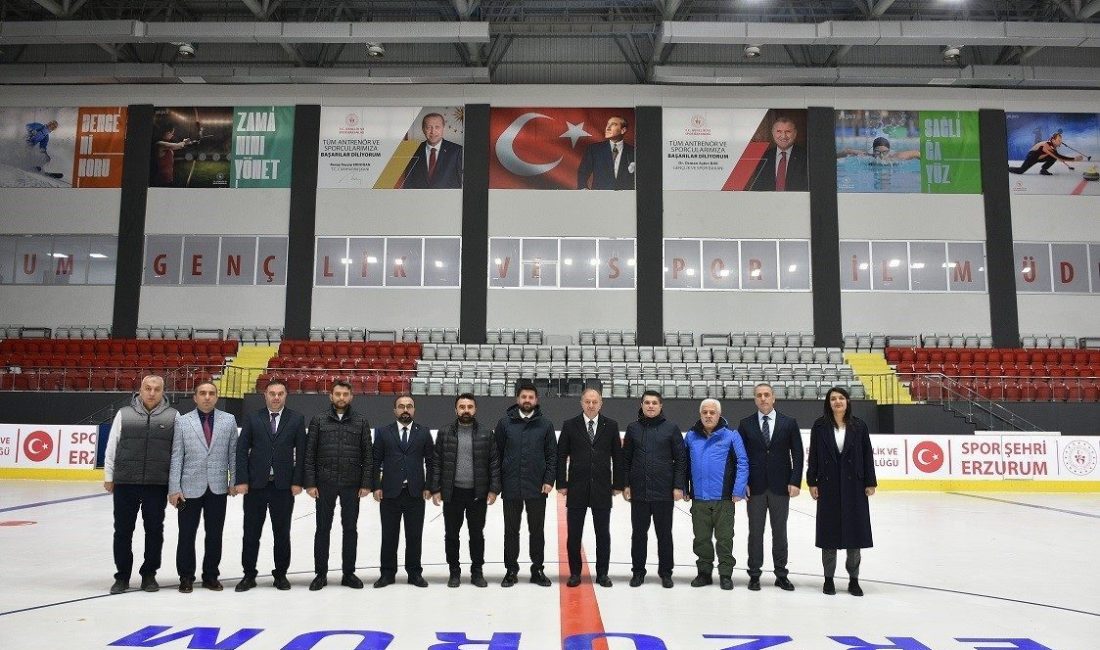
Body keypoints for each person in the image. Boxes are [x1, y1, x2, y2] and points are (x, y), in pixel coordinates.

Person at [103, 375, 179, 594]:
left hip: (157, 484)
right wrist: (109, 476)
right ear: (140, 389)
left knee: (154, 530)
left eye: (156, 389)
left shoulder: (173, 416)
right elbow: (112, 447)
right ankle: (122, 576)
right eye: (148, 388)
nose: (152, 392)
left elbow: (176, 453)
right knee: (123, 531)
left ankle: (149, 575)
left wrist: (173, 484)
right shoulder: (124, 415)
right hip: (126, 482)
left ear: (163, 391)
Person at [234, 379, 307, 591]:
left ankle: (281, 574)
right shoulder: (252, 418)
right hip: (256, 486)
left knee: (282, 533)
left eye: (280, 394)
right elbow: (241, 451)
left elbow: (301, 454)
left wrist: (297, 481)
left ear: (286, 395)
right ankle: (249, 575)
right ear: (265, 395)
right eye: (272, 393)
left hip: (283, 487)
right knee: (251, 533)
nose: (276, 397)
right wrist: (242, 480)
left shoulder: (296, 419)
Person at [806, 386, 877, 597]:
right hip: (828, 487)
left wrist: (870, 482)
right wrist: (812, 482)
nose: (837, 402)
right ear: (828, 403)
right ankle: (828, 579)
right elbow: (815, 456)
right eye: (833, 399)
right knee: (829, 535)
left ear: (847, 401)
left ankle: (853, 580)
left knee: (854, 536)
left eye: (841, 398)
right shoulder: (819, 426)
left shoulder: (859, 426)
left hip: (854, 487)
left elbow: (867, 455)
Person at [168, 382, 238, 593]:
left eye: (211, 393)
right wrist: (174, 488)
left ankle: (211, 575)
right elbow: (176, 456)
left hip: (217, 488)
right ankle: (186, 577)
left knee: (215, 534)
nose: (207, 397)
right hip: (188, 488)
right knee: (186, 534)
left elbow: (233, 453)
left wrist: (233, 481)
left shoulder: (229, 420)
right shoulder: (182, 421)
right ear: (195, 397)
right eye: (202, 393)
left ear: (217, 397)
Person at [303, 380, 373, 591]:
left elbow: (368, 455)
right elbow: (309, 454)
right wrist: (310, 483)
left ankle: (348, 573)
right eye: (338, 394)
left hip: (352, 484)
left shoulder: (361, 421)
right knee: (322, 529)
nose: (341, 397)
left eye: (345, 394)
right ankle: (320, 574)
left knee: (350, 529)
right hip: (324, 484)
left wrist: (366, 482)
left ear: (351, 397)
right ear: (330, 396)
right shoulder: (318, 420)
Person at [429, 393, 501, 588]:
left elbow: (494, 463)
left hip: (477, 493)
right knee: (451, 534)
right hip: (452, 493)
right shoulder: (445, 433)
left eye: (469, 406)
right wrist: (435, 488)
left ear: (475, 409)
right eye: (462, 407)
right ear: (456, 410)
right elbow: (436, 462)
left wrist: (494, 489)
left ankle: (477, 571)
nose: (466, 410)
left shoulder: (486, 433)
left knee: (476, 534)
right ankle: (454, 571)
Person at [738, 382, 803, 592]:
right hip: (754, 488)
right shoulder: (745, 424)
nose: (763, 398)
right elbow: (739, 457)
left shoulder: (789, 423)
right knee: (755, 533)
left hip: (780, 487)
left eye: (767, 395)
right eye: (759, 395)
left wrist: (795, 481)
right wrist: (742, 483)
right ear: (755, 399)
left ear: (774, 398)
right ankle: (754, 575)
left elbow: (798, 454)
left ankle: (781, 574)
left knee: (780, 533)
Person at [557, 388, 623, 588]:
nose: (591, 405)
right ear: (581, 402)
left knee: (603, 534)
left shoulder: (611, 426)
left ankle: (602, 574)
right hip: (576, 488)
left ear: (601, 403)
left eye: (595, 402)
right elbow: (560, 456)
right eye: (587, 401)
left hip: (602, 489)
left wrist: (618, 484)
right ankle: (575, 573)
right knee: (574, 535)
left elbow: (618, 458)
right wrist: (561, 483)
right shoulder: (569, 426)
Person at [494, 382, 557, 588]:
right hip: (511, 486)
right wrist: (498, 483)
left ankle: (537, 569)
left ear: (536, 400)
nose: (527, 400)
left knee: (536, 531)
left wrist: (548, 480)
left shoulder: (546, 425)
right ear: (517, 399)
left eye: (531, 397)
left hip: (537, 487)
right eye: (524, 397)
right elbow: (497, 455)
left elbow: (552, 457)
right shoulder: (504, 424)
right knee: (510, 531)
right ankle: (511, 570)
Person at [622, 390, 686, 588]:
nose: (650, 406)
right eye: (647, 402)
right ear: (641, 405)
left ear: (660, 406)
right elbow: (625, 460)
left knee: (664, 534)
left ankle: (666, 573)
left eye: (654, 403)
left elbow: (681, 460)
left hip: (664, 492)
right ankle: (638, 572)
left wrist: (678, 486)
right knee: (639, 534)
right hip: (639, 492)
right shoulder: (633, 429)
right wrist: (625, 484)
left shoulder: (671, 429)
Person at [683, 398, 748, 591]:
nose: (708, 415)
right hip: (699, 499)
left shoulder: (731, 436)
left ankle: (725, 574)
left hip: (724, 499)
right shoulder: (691, 437)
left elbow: (742, 463)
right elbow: (683, 464)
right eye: (705, 412)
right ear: (700, 415)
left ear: (719, 415)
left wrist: (738, 490)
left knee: (725, 538)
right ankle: (704, 572)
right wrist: (684, 488)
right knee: (701, 538)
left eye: (712, 412)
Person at [372, 394, 434, 588]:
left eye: (409, 406)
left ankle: (414, 573)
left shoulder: (423, 433)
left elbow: (431, 462)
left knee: (414, 536)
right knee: (389, 535)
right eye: (401, 406)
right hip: (389, 492)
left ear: (414, 410)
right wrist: (376, 486)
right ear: (395, 410)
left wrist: (429, 486)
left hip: (415, 493)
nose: (405, 409)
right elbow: (375, 462)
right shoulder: (383, 432)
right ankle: (387, 573)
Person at [401, 112, 463, 189]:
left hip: (447, 200)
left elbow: (462, 183)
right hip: (419, 200)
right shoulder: (413, 151)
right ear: (423, 129)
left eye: (437, 127)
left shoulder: (457, 151)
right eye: (428, 127)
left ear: (443, 128)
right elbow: (408, 184)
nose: (433, 132)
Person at [576, 115, 635, 190]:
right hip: (599, 198)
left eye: (613, 124)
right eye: (608, 124)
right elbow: (583, 172)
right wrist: (583, 189)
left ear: (623, 130)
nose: (608, 128)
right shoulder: (594, 149)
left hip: (625, 199)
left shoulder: (634, 152)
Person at [749, 116, 808, 191]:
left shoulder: (806, 157)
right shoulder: (764, 157)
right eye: (779, 131)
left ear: (795, 133)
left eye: (788, 131)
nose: (783, 136)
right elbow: (758, 187)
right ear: (773, 133)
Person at [1009, 132, 1082, 176]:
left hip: (1040, 157)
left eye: (1061, 140)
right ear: (1053, 140)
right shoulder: (1047, 144)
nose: (1060, 142)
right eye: (1059, 140)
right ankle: (1007, 168)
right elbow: (1059, 157)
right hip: (1032, 156)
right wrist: (1074, 159)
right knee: (1020, 171)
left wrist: (1059, 157)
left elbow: (1056, 156)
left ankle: (1043, 170)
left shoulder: (1052, 147)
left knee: (1053, 157)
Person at [837, 136, 920, 163]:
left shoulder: (896, 157)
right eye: (877, 152)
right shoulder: (868, 156)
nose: (881, 155)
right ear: (873, 151)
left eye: (885, 152)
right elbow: (847, 151)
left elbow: (916, 153)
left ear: (889, 151)